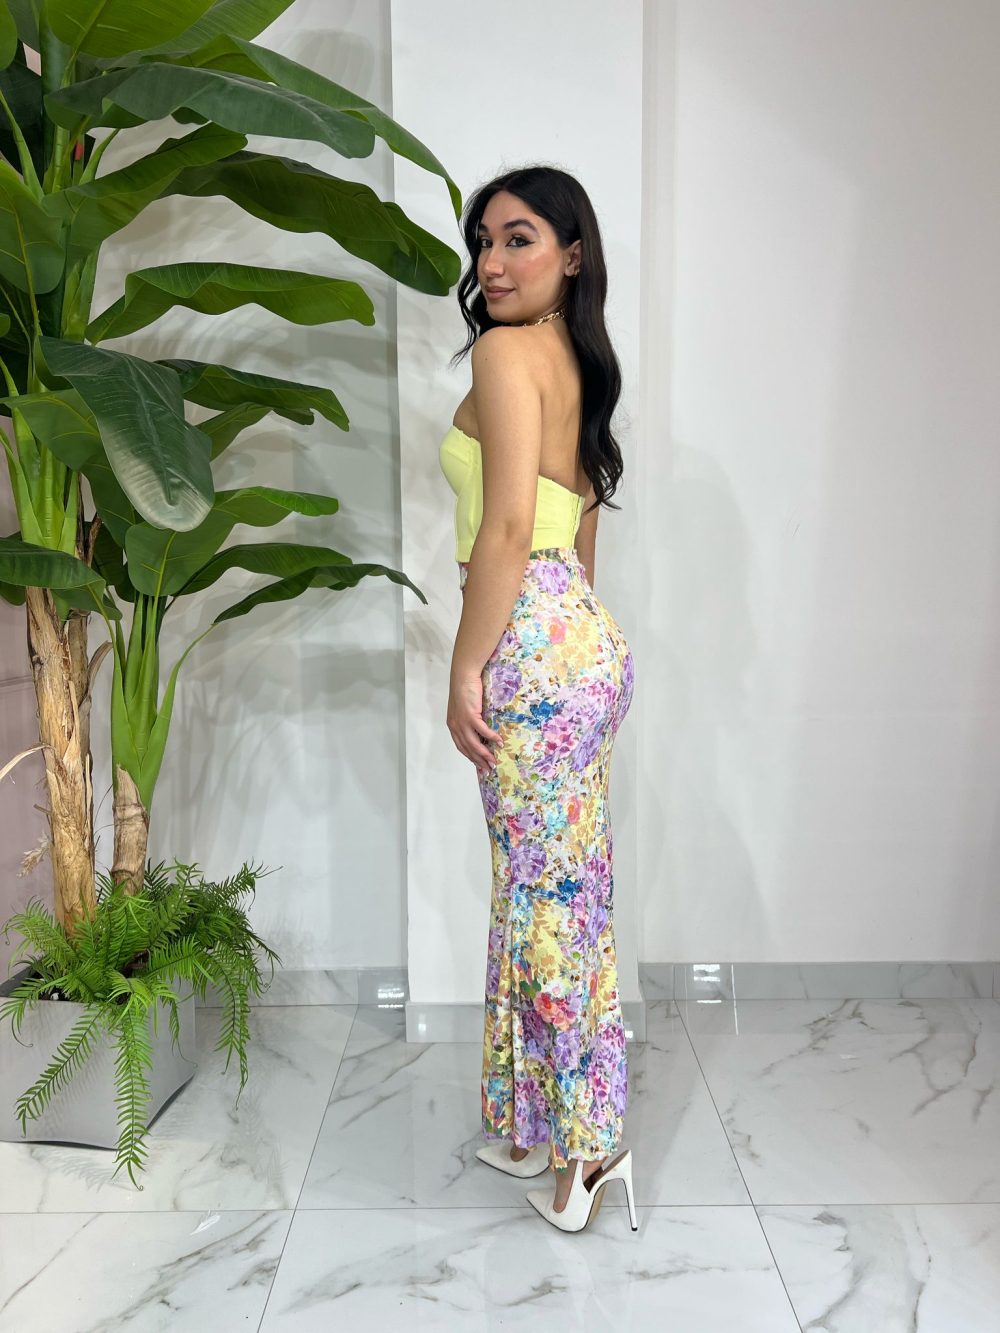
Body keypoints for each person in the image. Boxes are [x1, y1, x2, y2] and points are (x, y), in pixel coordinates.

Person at [439, 166, 637, 1233]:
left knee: (547, 903)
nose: (493, 262)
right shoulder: (576, 359)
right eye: (483, 241)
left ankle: (590, 1144)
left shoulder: (506, 352)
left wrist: (466, 665)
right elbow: (580, 519)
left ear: (571, 252)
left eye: (518, 238)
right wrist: (576, 648)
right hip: (580, 639)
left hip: (530, 638)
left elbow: (507, 529)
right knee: (552, 892)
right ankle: (529, 1123)